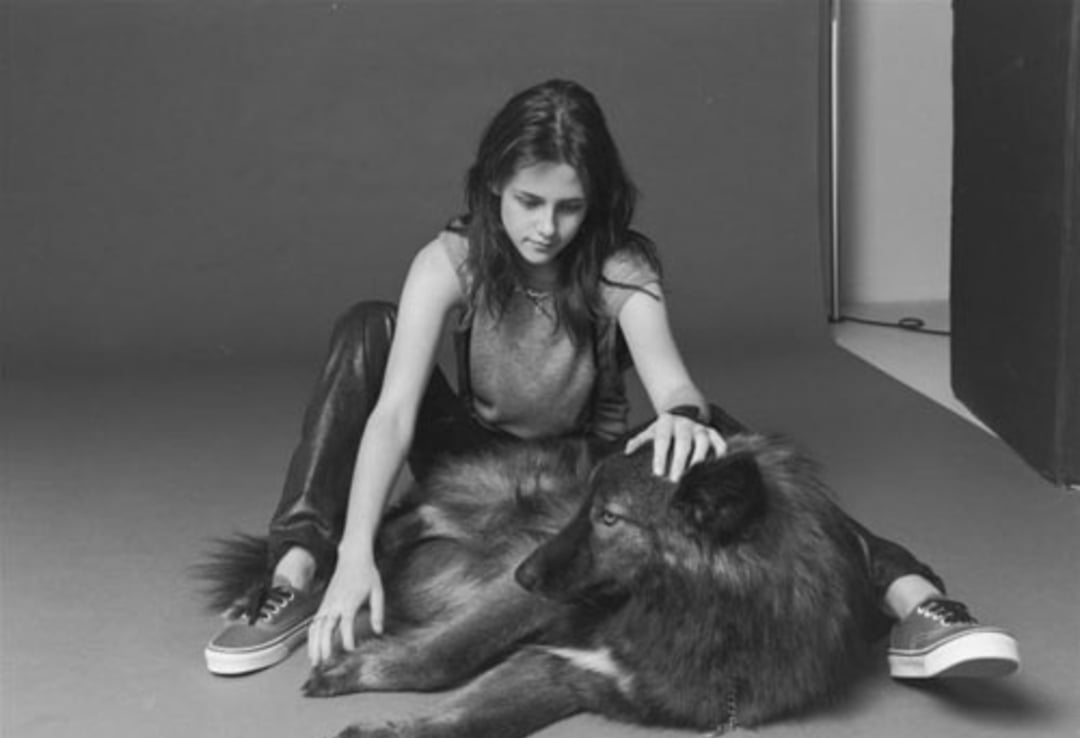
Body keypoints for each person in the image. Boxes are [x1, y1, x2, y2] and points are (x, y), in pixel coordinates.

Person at [203, 78, 1020, 682]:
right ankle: (295, 574)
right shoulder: (450, 260)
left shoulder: (617, 263)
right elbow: (390, 419)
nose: (544, 227)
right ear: (494, 184)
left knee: (729, 437)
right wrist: (355, 552)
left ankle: (916, 603)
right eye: (528, 202)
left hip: (587, 465)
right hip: (473, 454)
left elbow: (671, 380)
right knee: (365, 325)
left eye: (567, 208)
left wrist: (686, 416)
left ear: (592, 205)